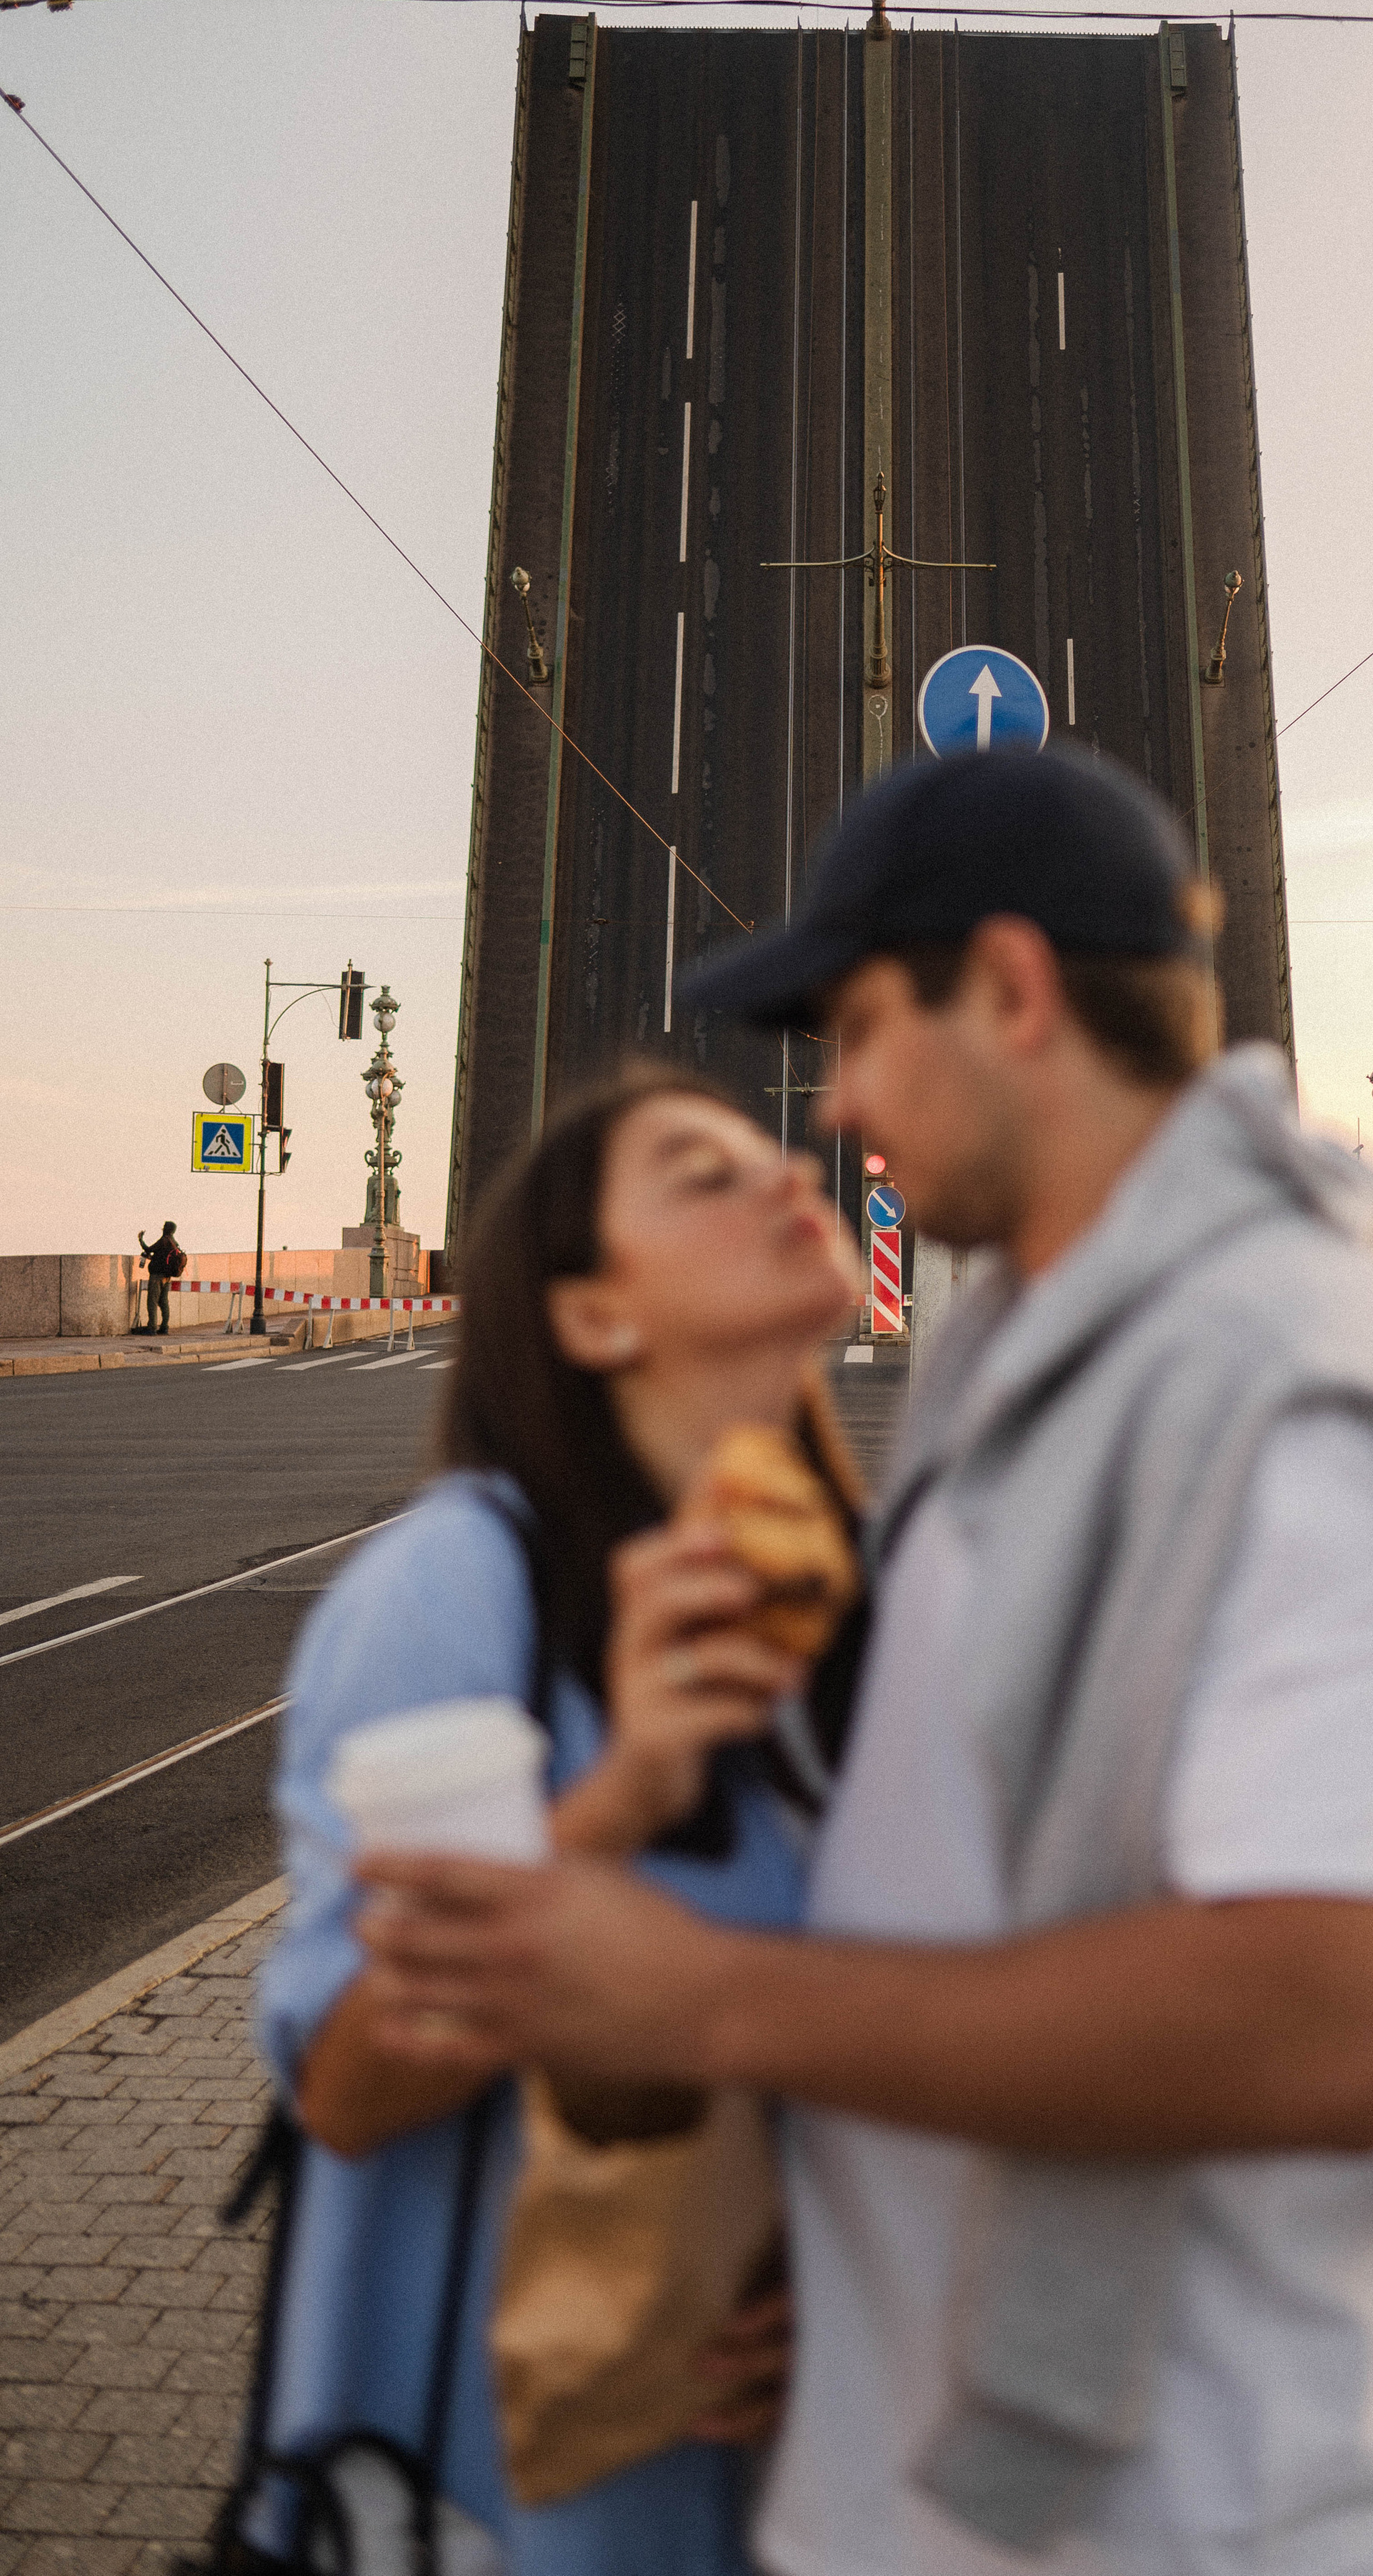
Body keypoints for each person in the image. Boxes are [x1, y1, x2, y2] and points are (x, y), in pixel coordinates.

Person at [362, 750, 1373, 2576]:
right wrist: (851, 2257)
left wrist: (701, 1998)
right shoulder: (1023, 1343)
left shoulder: (1280, 1376)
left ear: (1008, 989)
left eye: (857, 1026)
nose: (834, 1101)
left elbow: (1323, 2017)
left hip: (1177, 2513)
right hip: (943, 2467)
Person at [250, 1069, 864, 2573]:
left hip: (761, 2501)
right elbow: (348, 2084)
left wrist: (847, 2277)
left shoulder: (848, 1591)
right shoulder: (461, 1586)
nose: (790, 1176)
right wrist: (622, 1793)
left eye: (775, 1154)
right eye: (703, 1173)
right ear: (592, 1314)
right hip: (489, 2503)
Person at [136, 1219, 184, 1334]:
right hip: (167, 1277)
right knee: (164, 1302)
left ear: (166, 1229)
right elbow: (162, 1257)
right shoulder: (174, 1242)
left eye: (164, 1227)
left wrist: (141, 1239)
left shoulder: (164, 1241)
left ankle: (152, 1328)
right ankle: (164, 1327)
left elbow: (148, 1249)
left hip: (157, 1276)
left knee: (152, 1301)